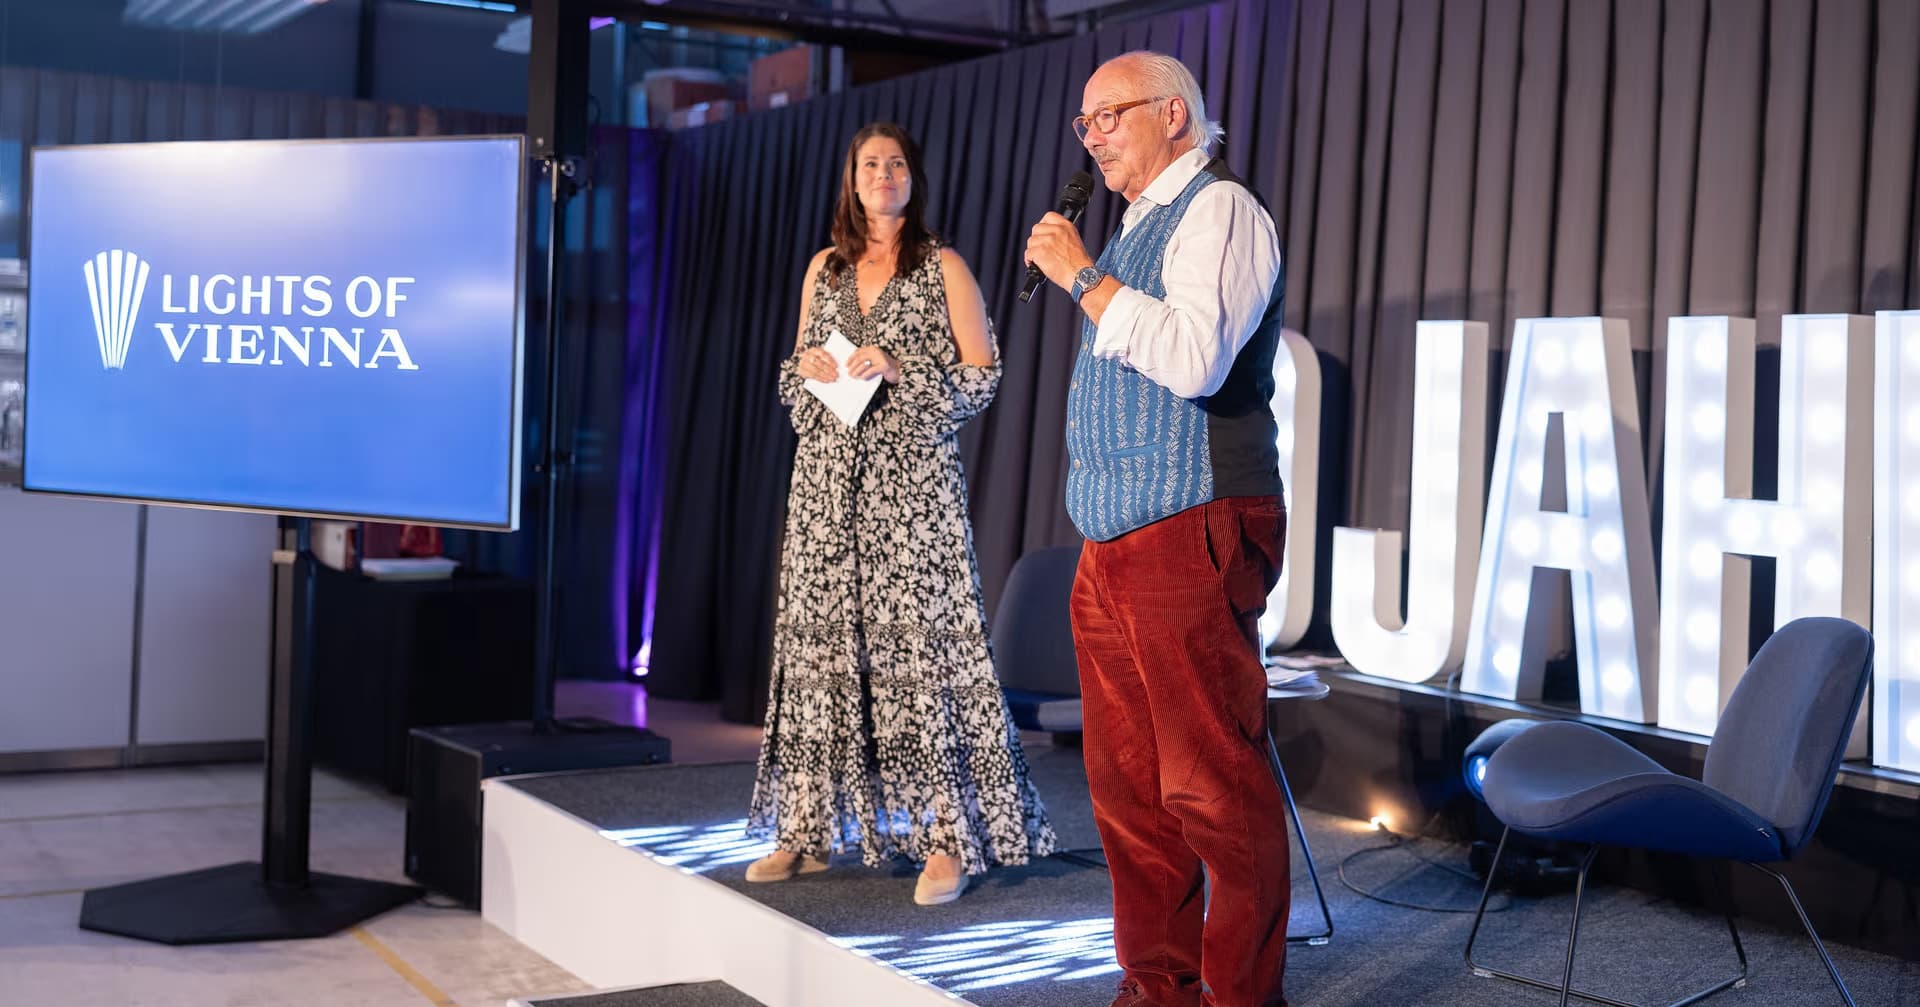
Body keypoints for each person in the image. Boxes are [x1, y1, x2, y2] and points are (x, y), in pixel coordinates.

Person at [1023, 52, 1291, 1006]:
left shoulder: (1220, 210)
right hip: (1114, 543)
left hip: (1193, 524)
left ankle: (1243, 996)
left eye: (1109, 116)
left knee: (1213, 788)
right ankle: (1158, 990)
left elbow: (1195, 360)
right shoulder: (1139, 221)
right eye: (1084, 124)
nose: (1091, 136)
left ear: (1174, 114)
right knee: (1130, 797)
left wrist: (1083, 276)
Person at [746, 122, 1056, 907]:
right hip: (824, 489)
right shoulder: (825, 267)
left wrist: (901, 366)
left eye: (895, 164)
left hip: (911, 497)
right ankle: (806, 831)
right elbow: (792, 380)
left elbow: (982, 379)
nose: (882, 175)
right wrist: (806, 367)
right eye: (869, 165)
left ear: (913, 178)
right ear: (850, 178)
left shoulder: (941, 264)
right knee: (818, 658)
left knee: (922, 665)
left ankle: (946, 840)